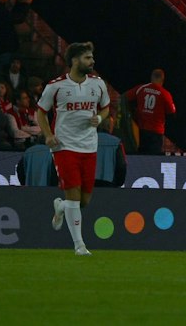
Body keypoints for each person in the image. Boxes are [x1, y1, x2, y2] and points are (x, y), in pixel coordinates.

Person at [36, 42, 111, 256]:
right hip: (64, 146)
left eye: (92, 57)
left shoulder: (98, 84)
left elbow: (106, 108)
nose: (92, 61)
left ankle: (60, 207)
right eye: (88, 58)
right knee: (74, 198)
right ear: (75, 60)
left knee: (84, 200)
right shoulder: (56, 86)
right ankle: (79, 245)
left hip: (89, 146)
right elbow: (41, 112)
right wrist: (48, 135)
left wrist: (99, 117)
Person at [127, 69, 176, 155]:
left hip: (141, 131)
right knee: (153, 160)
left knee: (140, 157)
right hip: (156, 133)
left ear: (151, 77)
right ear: (162, 80)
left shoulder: (141, 88)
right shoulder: (165, 94)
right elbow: (171, 111)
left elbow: (125, 98)